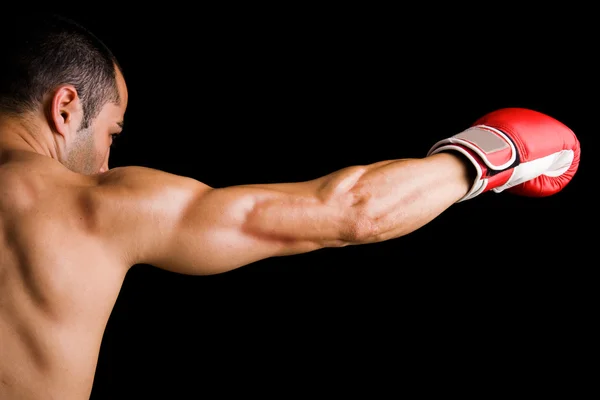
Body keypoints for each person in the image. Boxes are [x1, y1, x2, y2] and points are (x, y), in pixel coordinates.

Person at [0, 12, 580, 400]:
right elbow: (353, 211)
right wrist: (487, 157)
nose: (105, 161)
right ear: (66, 107)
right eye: (112, 133)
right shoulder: (97, 209)